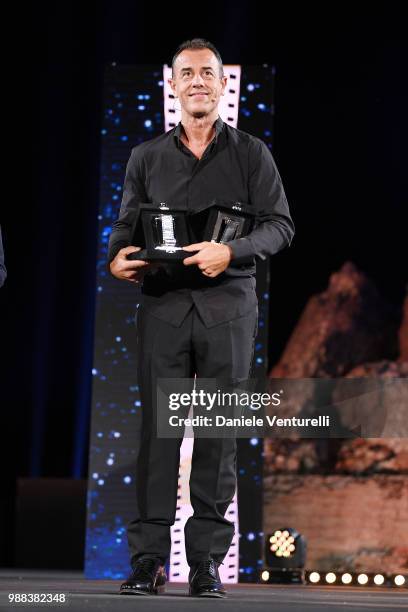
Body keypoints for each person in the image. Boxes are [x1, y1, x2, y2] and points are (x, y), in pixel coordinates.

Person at [108, 38, 295, 598]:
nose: (196, 81)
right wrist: (116, 257)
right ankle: (148, 561)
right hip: (163, 308)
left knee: (218, 437)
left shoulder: (253, 154)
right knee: (157, 439)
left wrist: (230, 253)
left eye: (206, 73)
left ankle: (207, 561)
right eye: (185, 73)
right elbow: (124, 229)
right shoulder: (145, 156)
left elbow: (280, 226)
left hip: (228, 313)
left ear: (222, 84)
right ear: (172, 84)